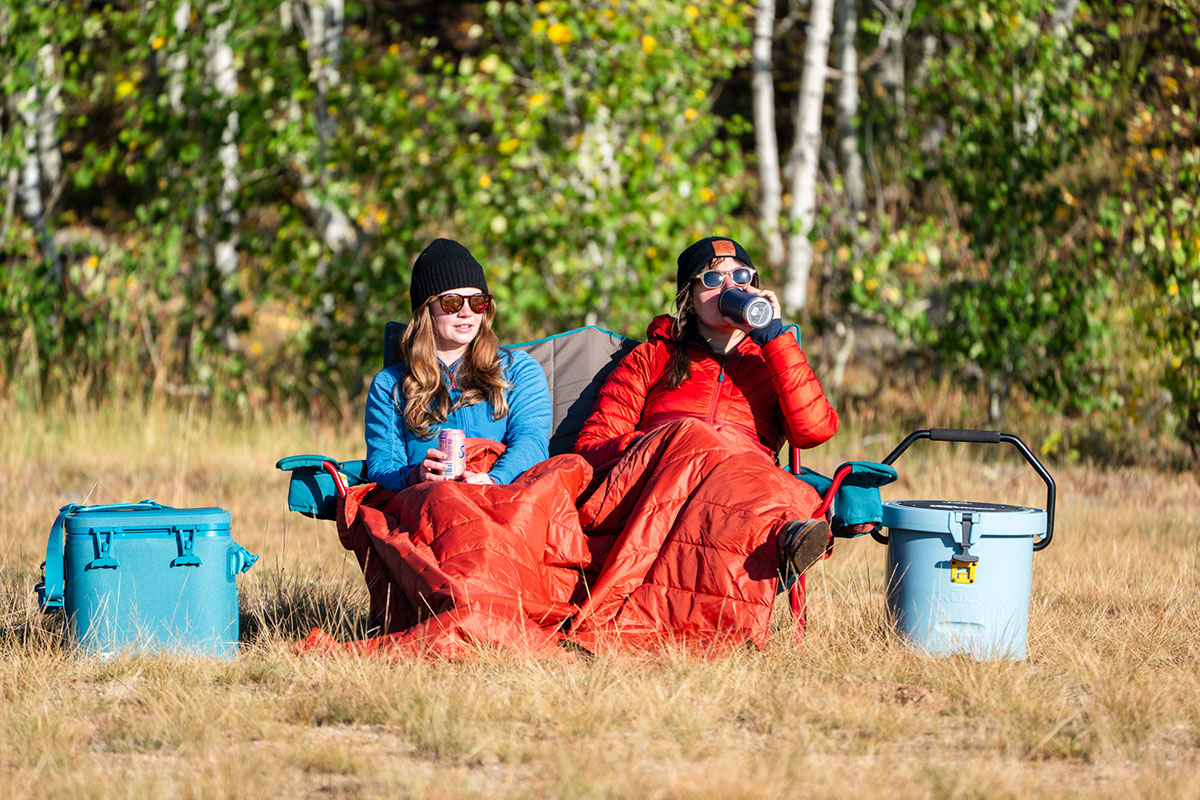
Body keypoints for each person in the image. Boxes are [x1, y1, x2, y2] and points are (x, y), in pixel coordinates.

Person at [567, 235, 842, 650]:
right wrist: (664, 445)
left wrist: (775, 338)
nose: (730, 285)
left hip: (742, 487)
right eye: (713, 278)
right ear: (688, 298)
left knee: (757, 476)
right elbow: (592, 444)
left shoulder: (770, 361)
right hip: (654, 483)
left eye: (741, 276)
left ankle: (781, 535)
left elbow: (815, 430)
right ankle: (780, 535)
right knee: (698, 437)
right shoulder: (651, 358)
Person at [363, 237, 551, 489]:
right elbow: (383, 468)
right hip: (429, 505)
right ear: (426, 309)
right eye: (451, 302)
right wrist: (415, 476)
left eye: (477, 302)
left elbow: (532, 442)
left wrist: (493, 479)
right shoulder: (391, 385)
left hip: (501, 498)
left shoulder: (518, 371)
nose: (467, 312)